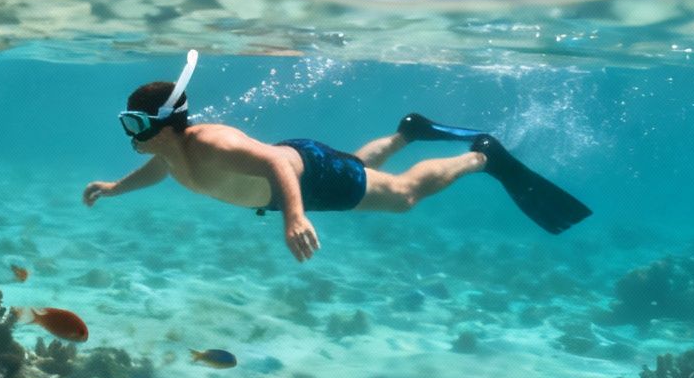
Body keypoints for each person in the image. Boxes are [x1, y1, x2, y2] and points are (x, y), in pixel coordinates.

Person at [83, 52, 590, 260]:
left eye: (135, 125)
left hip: (308, 179)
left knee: (404, 197)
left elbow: (277, 164)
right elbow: (159, 168)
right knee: (361, 167)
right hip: (302, 174)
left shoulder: (213, 144)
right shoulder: (169, 153)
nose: (129, 133)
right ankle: (409, 132)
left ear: (164, 125)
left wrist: (294, 218)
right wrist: (114, 188)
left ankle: (483, 156)